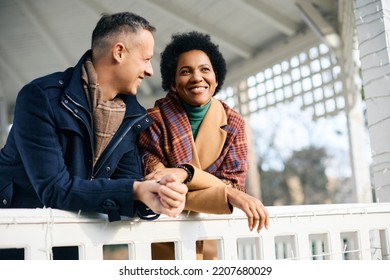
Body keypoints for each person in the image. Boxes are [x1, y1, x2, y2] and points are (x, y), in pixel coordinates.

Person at [0, 12, 187, 260]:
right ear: (119, 52)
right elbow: (54, 189)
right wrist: (136, 190)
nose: (150, 71)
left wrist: (157, 197)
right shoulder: (39, 98)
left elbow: (127, 185)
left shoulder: (133, 118)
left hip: (74, 248)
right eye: (146, 59)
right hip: (15, 245)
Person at [138, 31, 269, 260]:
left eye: (204, 69)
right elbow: (161, 189)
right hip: (163, 241)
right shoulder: (153, 120)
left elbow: (235, 184)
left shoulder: (234, 123)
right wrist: (225, 193)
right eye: (185, 71)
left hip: (214, 240)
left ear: (216, 78)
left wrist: (183, 174)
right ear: (173, 83)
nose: (197, 77)